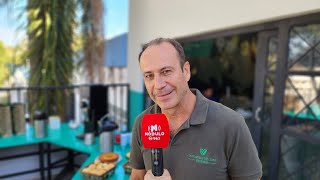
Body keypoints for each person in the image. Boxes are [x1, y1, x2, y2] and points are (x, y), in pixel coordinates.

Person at [129, 38, 262, 180]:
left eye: (166, 71)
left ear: (186, 71)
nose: (158, 84)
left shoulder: (232, 125)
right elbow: (137, 176)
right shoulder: (142, 123)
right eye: (149, 75)